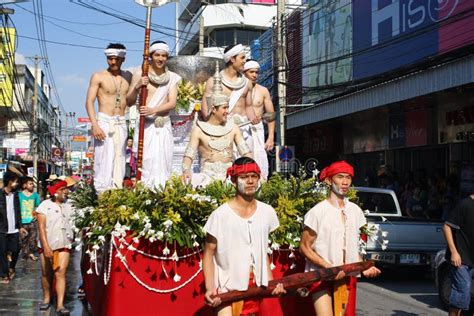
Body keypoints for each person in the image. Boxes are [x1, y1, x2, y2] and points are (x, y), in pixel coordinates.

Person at [202, 157, 285, 315]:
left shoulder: (267, 212)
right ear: (234, 181)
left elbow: (262, 251)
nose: (250, 181)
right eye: (244, 177)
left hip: (260, 285)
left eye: (254, 176)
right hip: (228, 288)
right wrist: (210, 287)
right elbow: (208, 255)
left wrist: (272, 282)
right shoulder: (220, 215)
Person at [299, 161, 380, 316]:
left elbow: (352, 246)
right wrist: (327, 267)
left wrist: (365, 266)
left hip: (346, 276)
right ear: (329, 180)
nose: (345, 182)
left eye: (348, 177)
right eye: (340, 177)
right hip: (321, 275)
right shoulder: (318, 212)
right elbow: (304, 247)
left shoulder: (355, 211)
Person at [182, 63, 252, 186]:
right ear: (214, 109)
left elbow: (245, 153)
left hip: (230, 179)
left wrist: (253, 167)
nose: (227, 111)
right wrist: (186, 170)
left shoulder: (233, 128)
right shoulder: (199, 130)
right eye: (224, 108)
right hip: (207, 180)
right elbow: (189, 155)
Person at [127, 40, 182, 188]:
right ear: (151, 56)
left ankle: (163, 194)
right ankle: (145, 194)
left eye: (164, 55)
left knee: (164, 162)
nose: (160, 59)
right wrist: (137, 86)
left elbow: (172, 103)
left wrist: (153, 110)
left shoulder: (172, 77)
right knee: (146, 162)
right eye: (157, 55)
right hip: (146, 127)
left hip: (163, 125)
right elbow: (129, 100)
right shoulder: (140, 73)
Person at [86, 43, 132, 193]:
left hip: (120, 122)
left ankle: (117, 195)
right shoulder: (98, 76)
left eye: (116, 59)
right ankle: (102, 196)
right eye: (110, 59)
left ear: (123, 59)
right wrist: (95, 125)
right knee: (102, 161)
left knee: (119, 160)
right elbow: (89, 102)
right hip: (104, 122)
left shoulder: (128, 76)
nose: (113, 62)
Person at [201, 44, 258, 150]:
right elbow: (205, 110)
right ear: (232, 59)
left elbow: (249, 106)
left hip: (244, 130)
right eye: (242, 58)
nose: (245, 61)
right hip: (223, 131)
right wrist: (216, 128)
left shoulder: (247, 83)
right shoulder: (213, 81)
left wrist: (253, 118)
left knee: (247, 164)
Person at [37, 180, 74, 315]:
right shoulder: (44, 206)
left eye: (66, 189)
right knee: (47, 273)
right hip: (48, 244)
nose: (66, 191)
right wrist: (46, 246)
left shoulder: (70, 206)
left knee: (60, 272)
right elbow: (41, 228)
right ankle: (47, 298)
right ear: (55, 191)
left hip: (64, 244)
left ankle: (60, 304)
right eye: (62, 189)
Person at [243, 59, 275, 180]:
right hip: (241, 128)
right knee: (240, 159)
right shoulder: (236, 90)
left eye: (256, 72)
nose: (254, 75)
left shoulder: (263, 91)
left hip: (257, 129)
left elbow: (271, 115)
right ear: (244, 72)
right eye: (251, 72)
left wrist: (271, 137)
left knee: (259, 160)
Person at [442, 193, 474, 316]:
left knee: (465, 296)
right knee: (463, 290)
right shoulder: (465, 204)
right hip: (461, 258)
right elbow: (446, 227)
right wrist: (454, 252)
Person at [0, 172, 26, 284]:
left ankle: (11, 267)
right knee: (2, 252)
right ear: (9, 181)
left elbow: (17, 211)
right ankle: (4, 274)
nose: (16, 183)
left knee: (16, 250)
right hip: (2, 229)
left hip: (14, 228)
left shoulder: (16, 195)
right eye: (15, 181)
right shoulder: (0, 194)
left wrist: (20, 226)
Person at [18, 176, 41, 261]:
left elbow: (38, 206)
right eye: (30, 184)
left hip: (32, 221)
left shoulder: (35, 195)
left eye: (33, 184)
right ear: (24, 185)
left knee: (32, 239)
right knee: (23, 239)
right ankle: (27, 254)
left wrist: (36, 215)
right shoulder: (19, 195)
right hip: (22, 222)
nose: (32, 185)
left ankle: (29, 253)